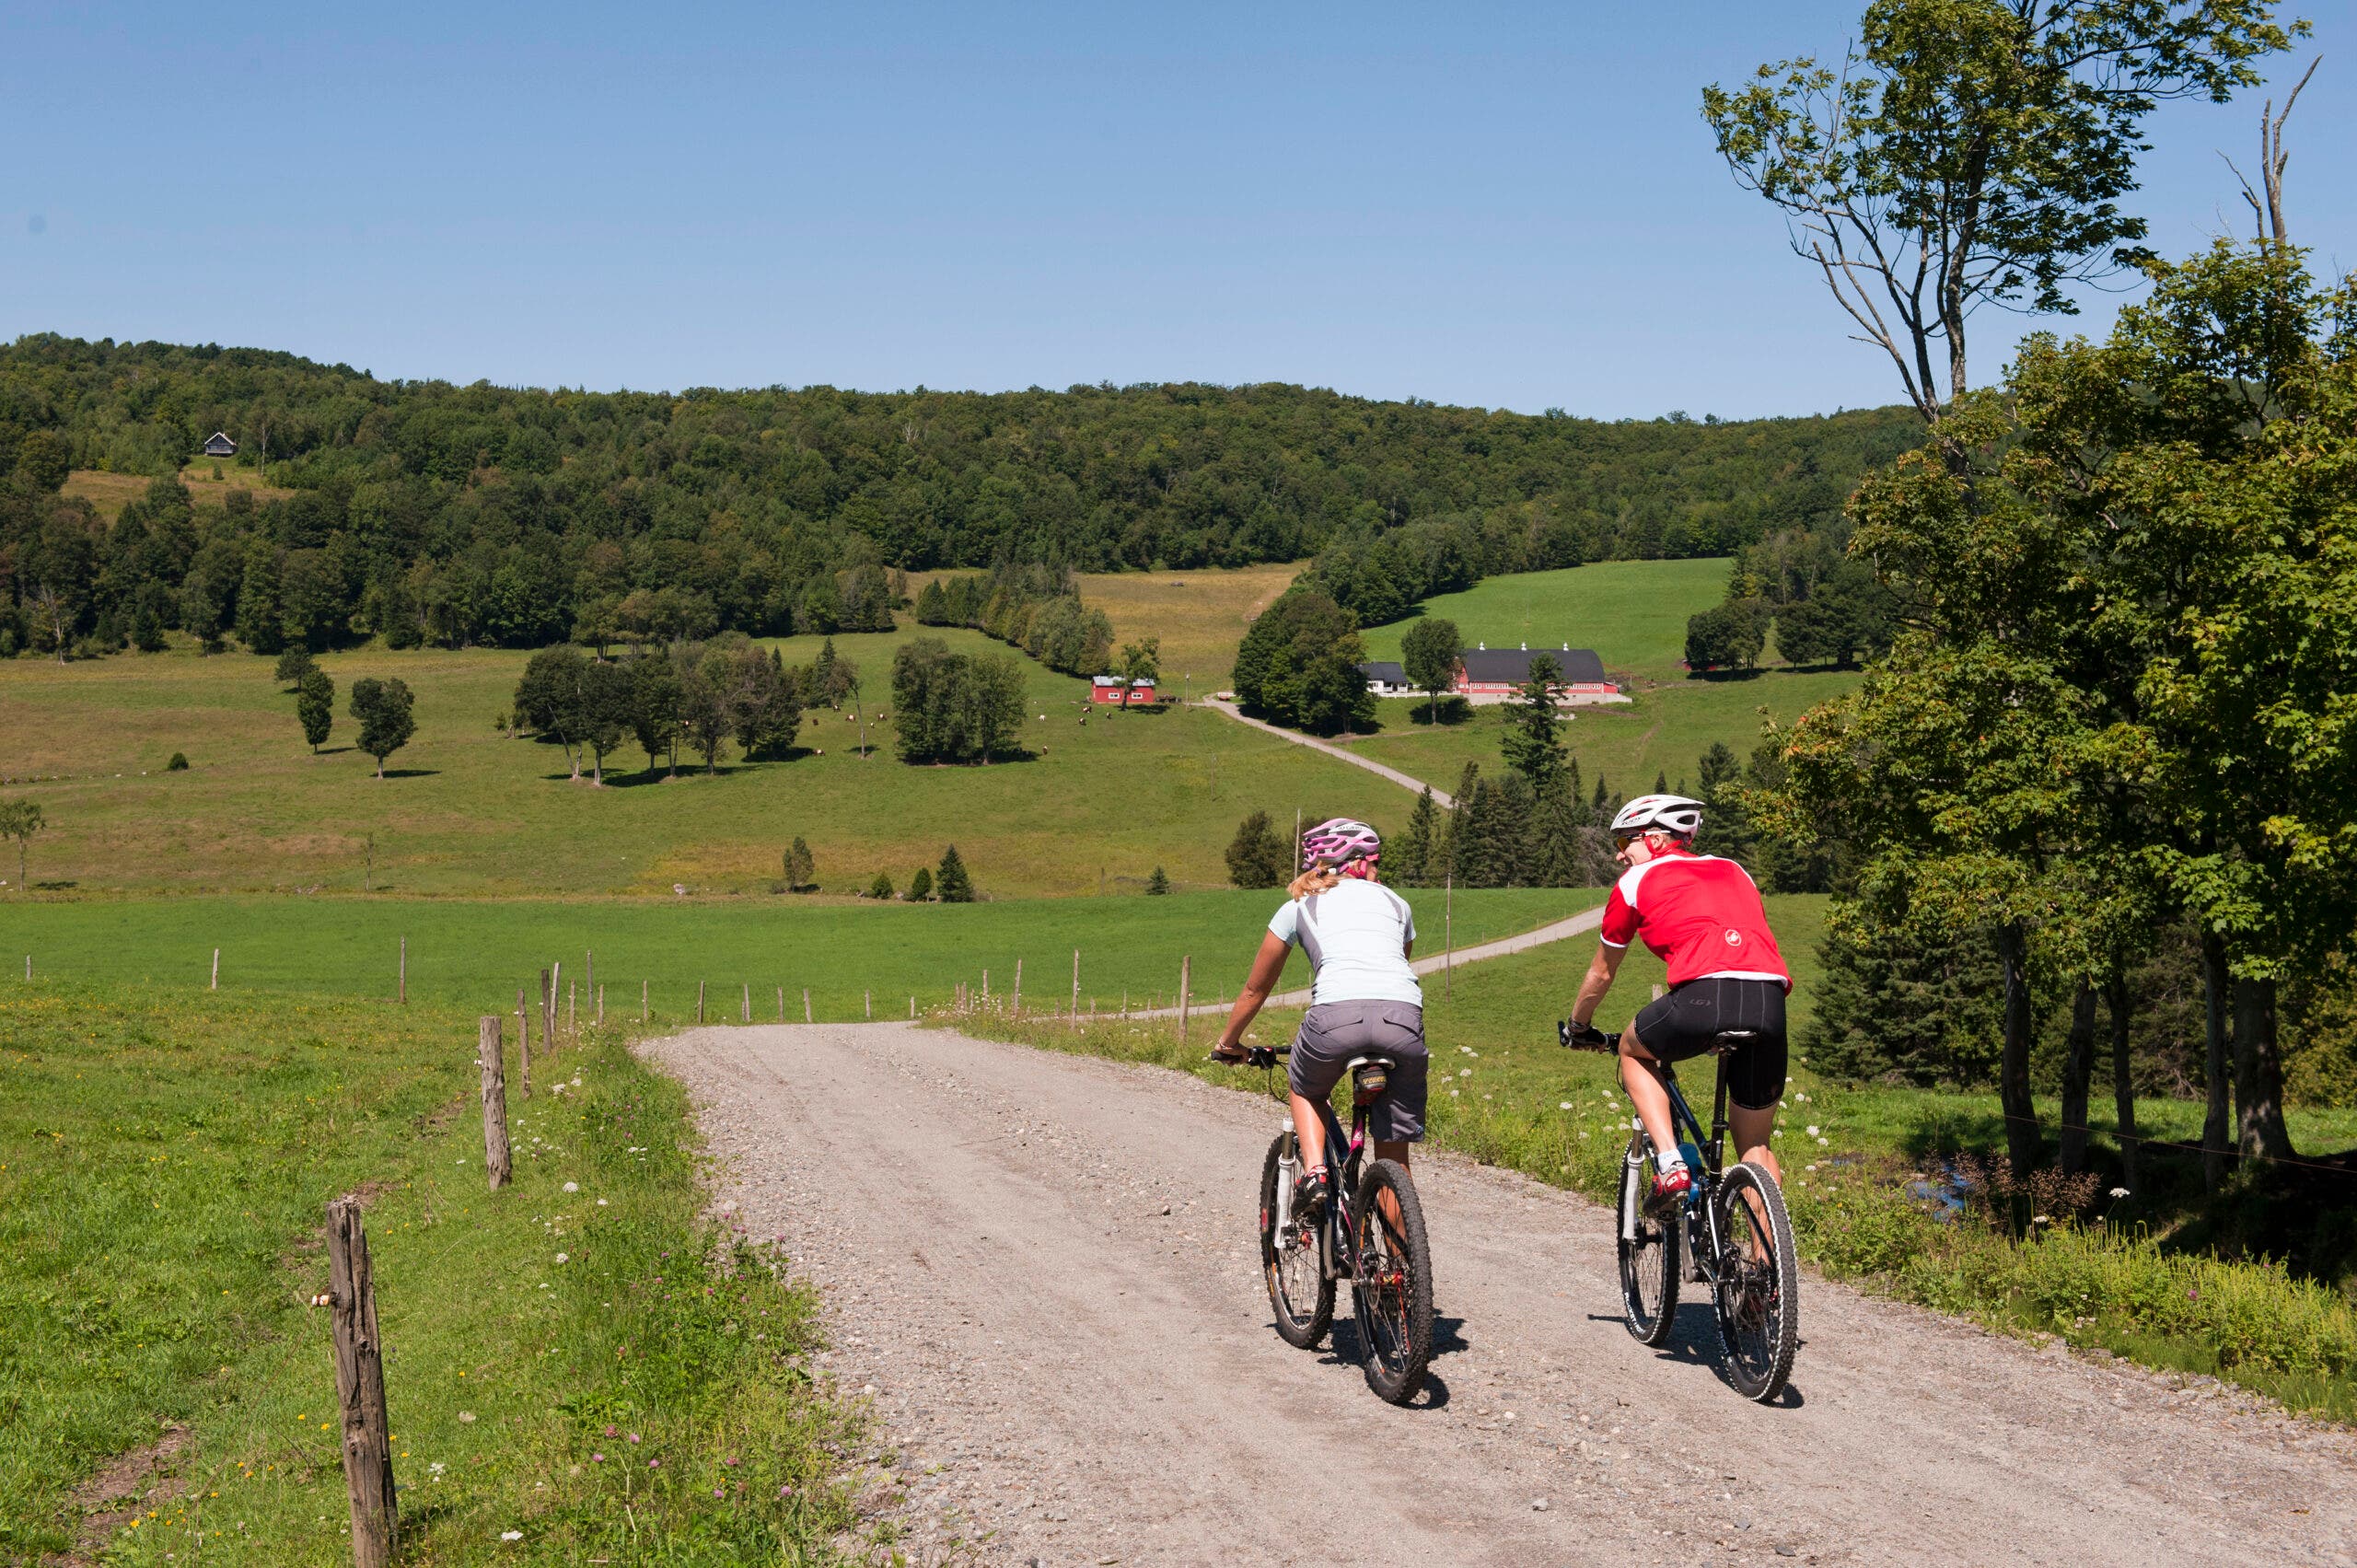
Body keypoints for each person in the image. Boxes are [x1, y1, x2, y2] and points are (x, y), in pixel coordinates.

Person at [1564, 794, 1790, 1214]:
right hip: (1768, 999)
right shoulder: (1735, 869)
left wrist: (1578, 1027)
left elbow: (1601, 973)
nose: (1620, 856)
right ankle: (1770, 1275)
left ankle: (1671, 1166)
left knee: (1632, 1050)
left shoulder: (1634, 882)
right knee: (1756, 1145)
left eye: (1623, 842)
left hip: (1703, 994)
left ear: (1652, 839)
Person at [1210, 818, 1427, 1220]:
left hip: (1334, 1020)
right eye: (1375, 862)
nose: (1379, 871)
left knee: (1305, 1085)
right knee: (1396, 1160)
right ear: (1357, 863)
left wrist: (1228, 1043)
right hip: (1403, 1020)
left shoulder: (1298, 905)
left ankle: (1315, 1173)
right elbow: (1396, 965)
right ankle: (1398, 1280)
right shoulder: (1398, 904)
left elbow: (1255, 990)